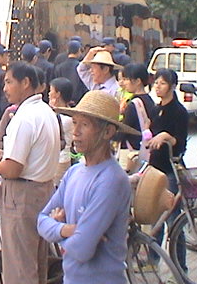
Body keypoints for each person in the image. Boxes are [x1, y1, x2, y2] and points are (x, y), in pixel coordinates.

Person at [37, 90, 141, 284]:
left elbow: (82, 249)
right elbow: (41, 221)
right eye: (74, 122)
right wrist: (68, 230)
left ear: (108, 132)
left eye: (84, 124)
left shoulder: (111, 180)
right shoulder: (74, 172)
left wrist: (58, 231)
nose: (75, 132)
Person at [0, 62, 60, 284]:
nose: (5, 89)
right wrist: (3, 154)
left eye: (9, 82)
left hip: (23, 195)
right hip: (42, 191)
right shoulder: (45, 111)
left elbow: (12, 170)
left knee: (20, 265)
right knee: (36, 260)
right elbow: (32, 155)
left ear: (26, 83)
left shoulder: (24, 117)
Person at [148, 68, 189, 270]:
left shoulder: (179, 112)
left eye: (162, 83)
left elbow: (180, 144)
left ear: (172, 86)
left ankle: (180, 268)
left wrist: (166, 136)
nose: (158, 86)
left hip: (170, 171)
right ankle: (152, 261)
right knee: (155, 218)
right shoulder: (156, 109)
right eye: (156, 82)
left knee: (173, 220)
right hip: (154, 168)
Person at [119, 63, 154, 153]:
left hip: (131, 151)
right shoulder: (149, 100)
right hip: (144, 149)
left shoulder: (133, 104)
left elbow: (123, 131)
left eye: (126, 79)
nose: (124, 83)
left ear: (138, 81)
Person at [49, 77, 74, 186]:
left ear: (58, 94)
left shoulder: (65, 118)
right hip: (62, 157)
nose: (49, 94)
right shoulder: (69, 112)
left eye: (51, 90)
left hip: (61, 159)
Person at [54, 39, 88, 104]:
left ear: (67, 50)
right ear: (79, 50)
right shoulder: (81, 68)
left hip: (63, 102)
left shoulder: (59, 67)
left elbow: (56, 85)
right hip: (78, 102)